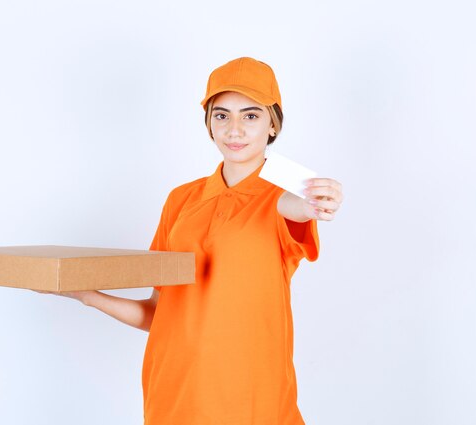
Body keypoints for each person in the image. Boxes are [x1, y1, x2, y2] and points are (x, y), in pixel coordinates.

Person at [38, 57, 343, 424]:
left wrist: (316, 201)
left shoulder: (277, 200)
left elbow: (296, 207)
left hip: (250, 402)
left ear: (272, 125)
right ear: (209, 124)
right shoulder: (181, 200)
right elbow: (157, 314)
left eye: (250, 116)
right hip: (173, 395)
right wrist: (86, 295)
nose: (234, 129)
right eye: (221, 115)